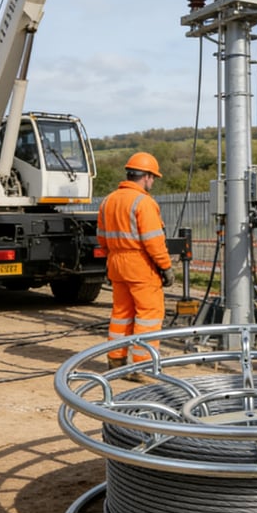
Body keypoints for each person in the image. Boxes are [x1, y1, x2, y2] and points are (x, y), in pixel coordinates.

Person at [97, 152, 174, 379]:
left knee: (121, 313)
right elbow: (153, 241)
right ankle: (142, 366)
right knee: (148, 315)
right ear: (147, 177)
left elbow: (102, 238)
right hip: (140, 264)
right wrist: (166, 267)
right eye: (153, 178)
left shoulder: (108, 200)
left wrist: (116, 254)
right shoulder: (144, 202)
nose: (153, 183)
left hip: (116, 263)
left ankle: (116, 361)